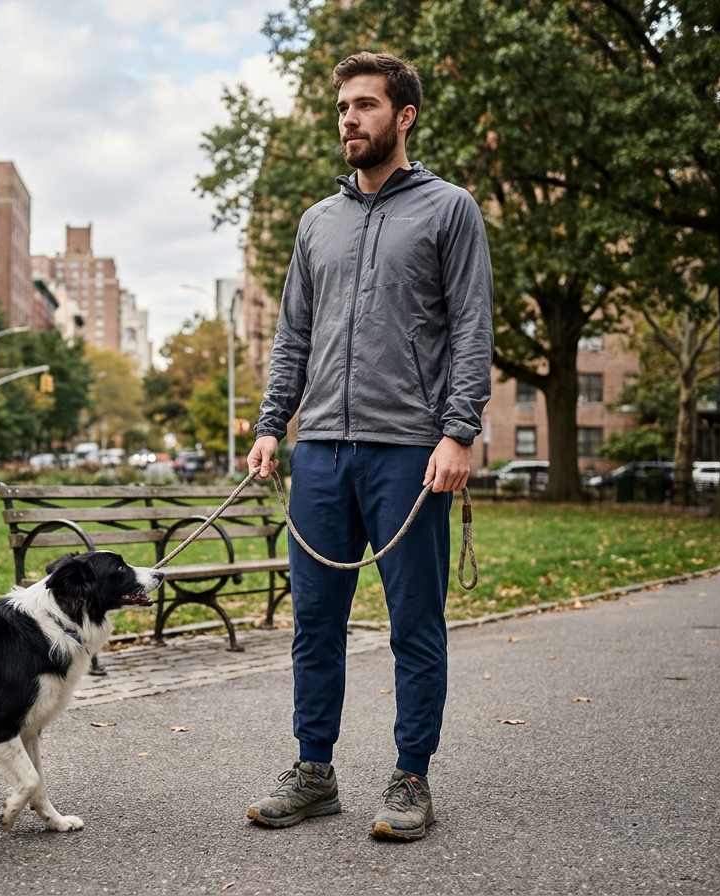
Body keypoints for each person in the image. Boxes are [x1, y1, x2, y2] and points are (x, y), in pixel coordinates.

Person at [245, 52, 493, 841]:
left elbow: (471, 330)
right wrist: (268, 423)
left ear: (404, 116)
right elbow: (293, 334)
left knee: (414, 624)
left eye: (364, 106)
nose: (348, 119)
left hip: (408, 452)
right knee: (315, 624)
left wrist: (458, 432)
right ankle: (313, 771)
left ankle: (411, 777)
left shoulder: (451, 209)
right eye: (342, 107)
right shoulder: (318, 220)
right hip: (319, 450)